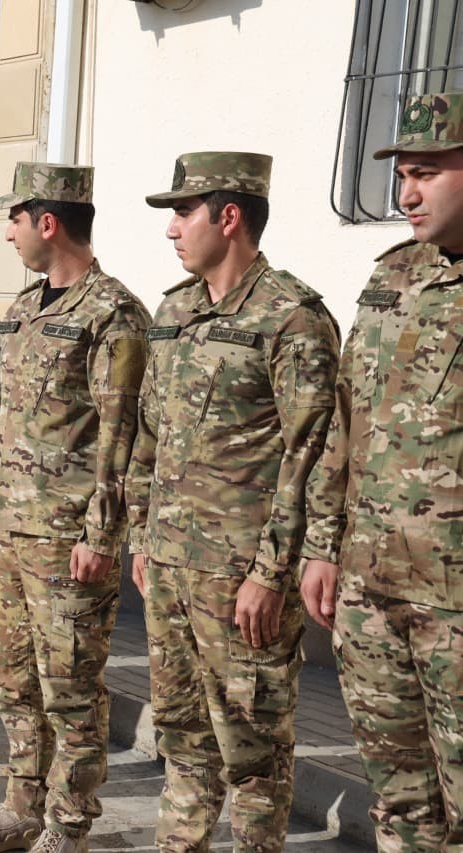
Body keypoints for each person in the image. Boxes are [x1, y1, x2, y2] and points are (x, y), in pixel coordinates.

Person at [125, 152, 341, 852]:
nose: (172, 230)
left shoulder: (292, 317)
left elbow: (311, 455)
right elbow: (148, 433)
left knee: (252, 750)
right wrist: (140, 537)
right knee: (183, 735)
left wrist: (271, 572)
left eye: (182, 213)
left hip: (240, 578)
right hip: (169, 565)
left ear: (229, 215)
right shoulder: (175, 311)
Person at [0, 164, 150, 853]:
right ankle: (20, 808)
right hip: (11, 534)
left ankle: (68, 825)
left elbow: (122, 437)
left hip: (69, 542)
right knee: (15, 679)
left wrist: (102, 533)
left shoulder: (112, 314)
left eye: (14, 219)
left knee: (71, 689)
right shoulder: (25, 309)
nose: (6, 233)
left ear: (48, 222)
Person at [302, 90, 463, 852]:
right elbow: (343, 422)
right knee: (400, 802)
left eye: (425, 173)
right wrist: (323, 547)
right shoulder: (391, 277)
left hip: (455, 603)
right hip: (371, 592)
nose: (405, 195)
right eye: (402, 175)